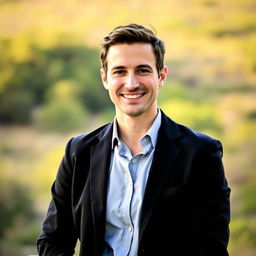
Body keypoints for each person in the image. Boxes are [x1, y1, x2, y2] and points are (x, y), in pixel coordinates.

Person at [37, 23, 231, 256]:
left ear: (161, 76)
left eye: (142, 70)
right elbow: (53, 240)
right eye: (119, 71)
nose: (131, 83)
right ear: (105, 78)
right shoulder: (79, 152)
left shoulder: (201, 153)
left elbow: (211, 248)